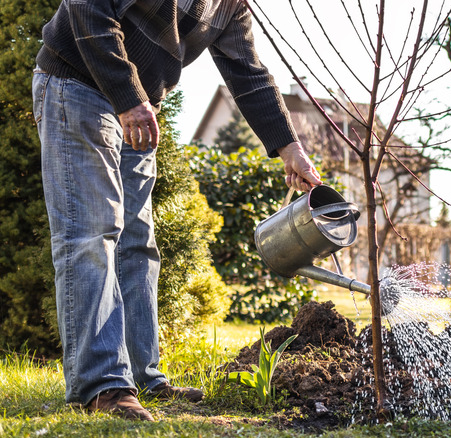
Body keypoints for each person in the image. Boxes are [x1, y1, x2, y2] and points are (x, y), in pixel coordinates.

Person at [32, 0, 322, 422]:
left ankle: (144, 378)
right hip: (76, 84)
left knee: (137, 245)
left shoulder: (230, 7)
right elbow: (87, 8)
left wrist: (290, 149)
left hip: (137, 105)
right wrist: (129, 98)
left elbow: (250, 75)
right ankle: (102, 385)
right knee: (91, 235)